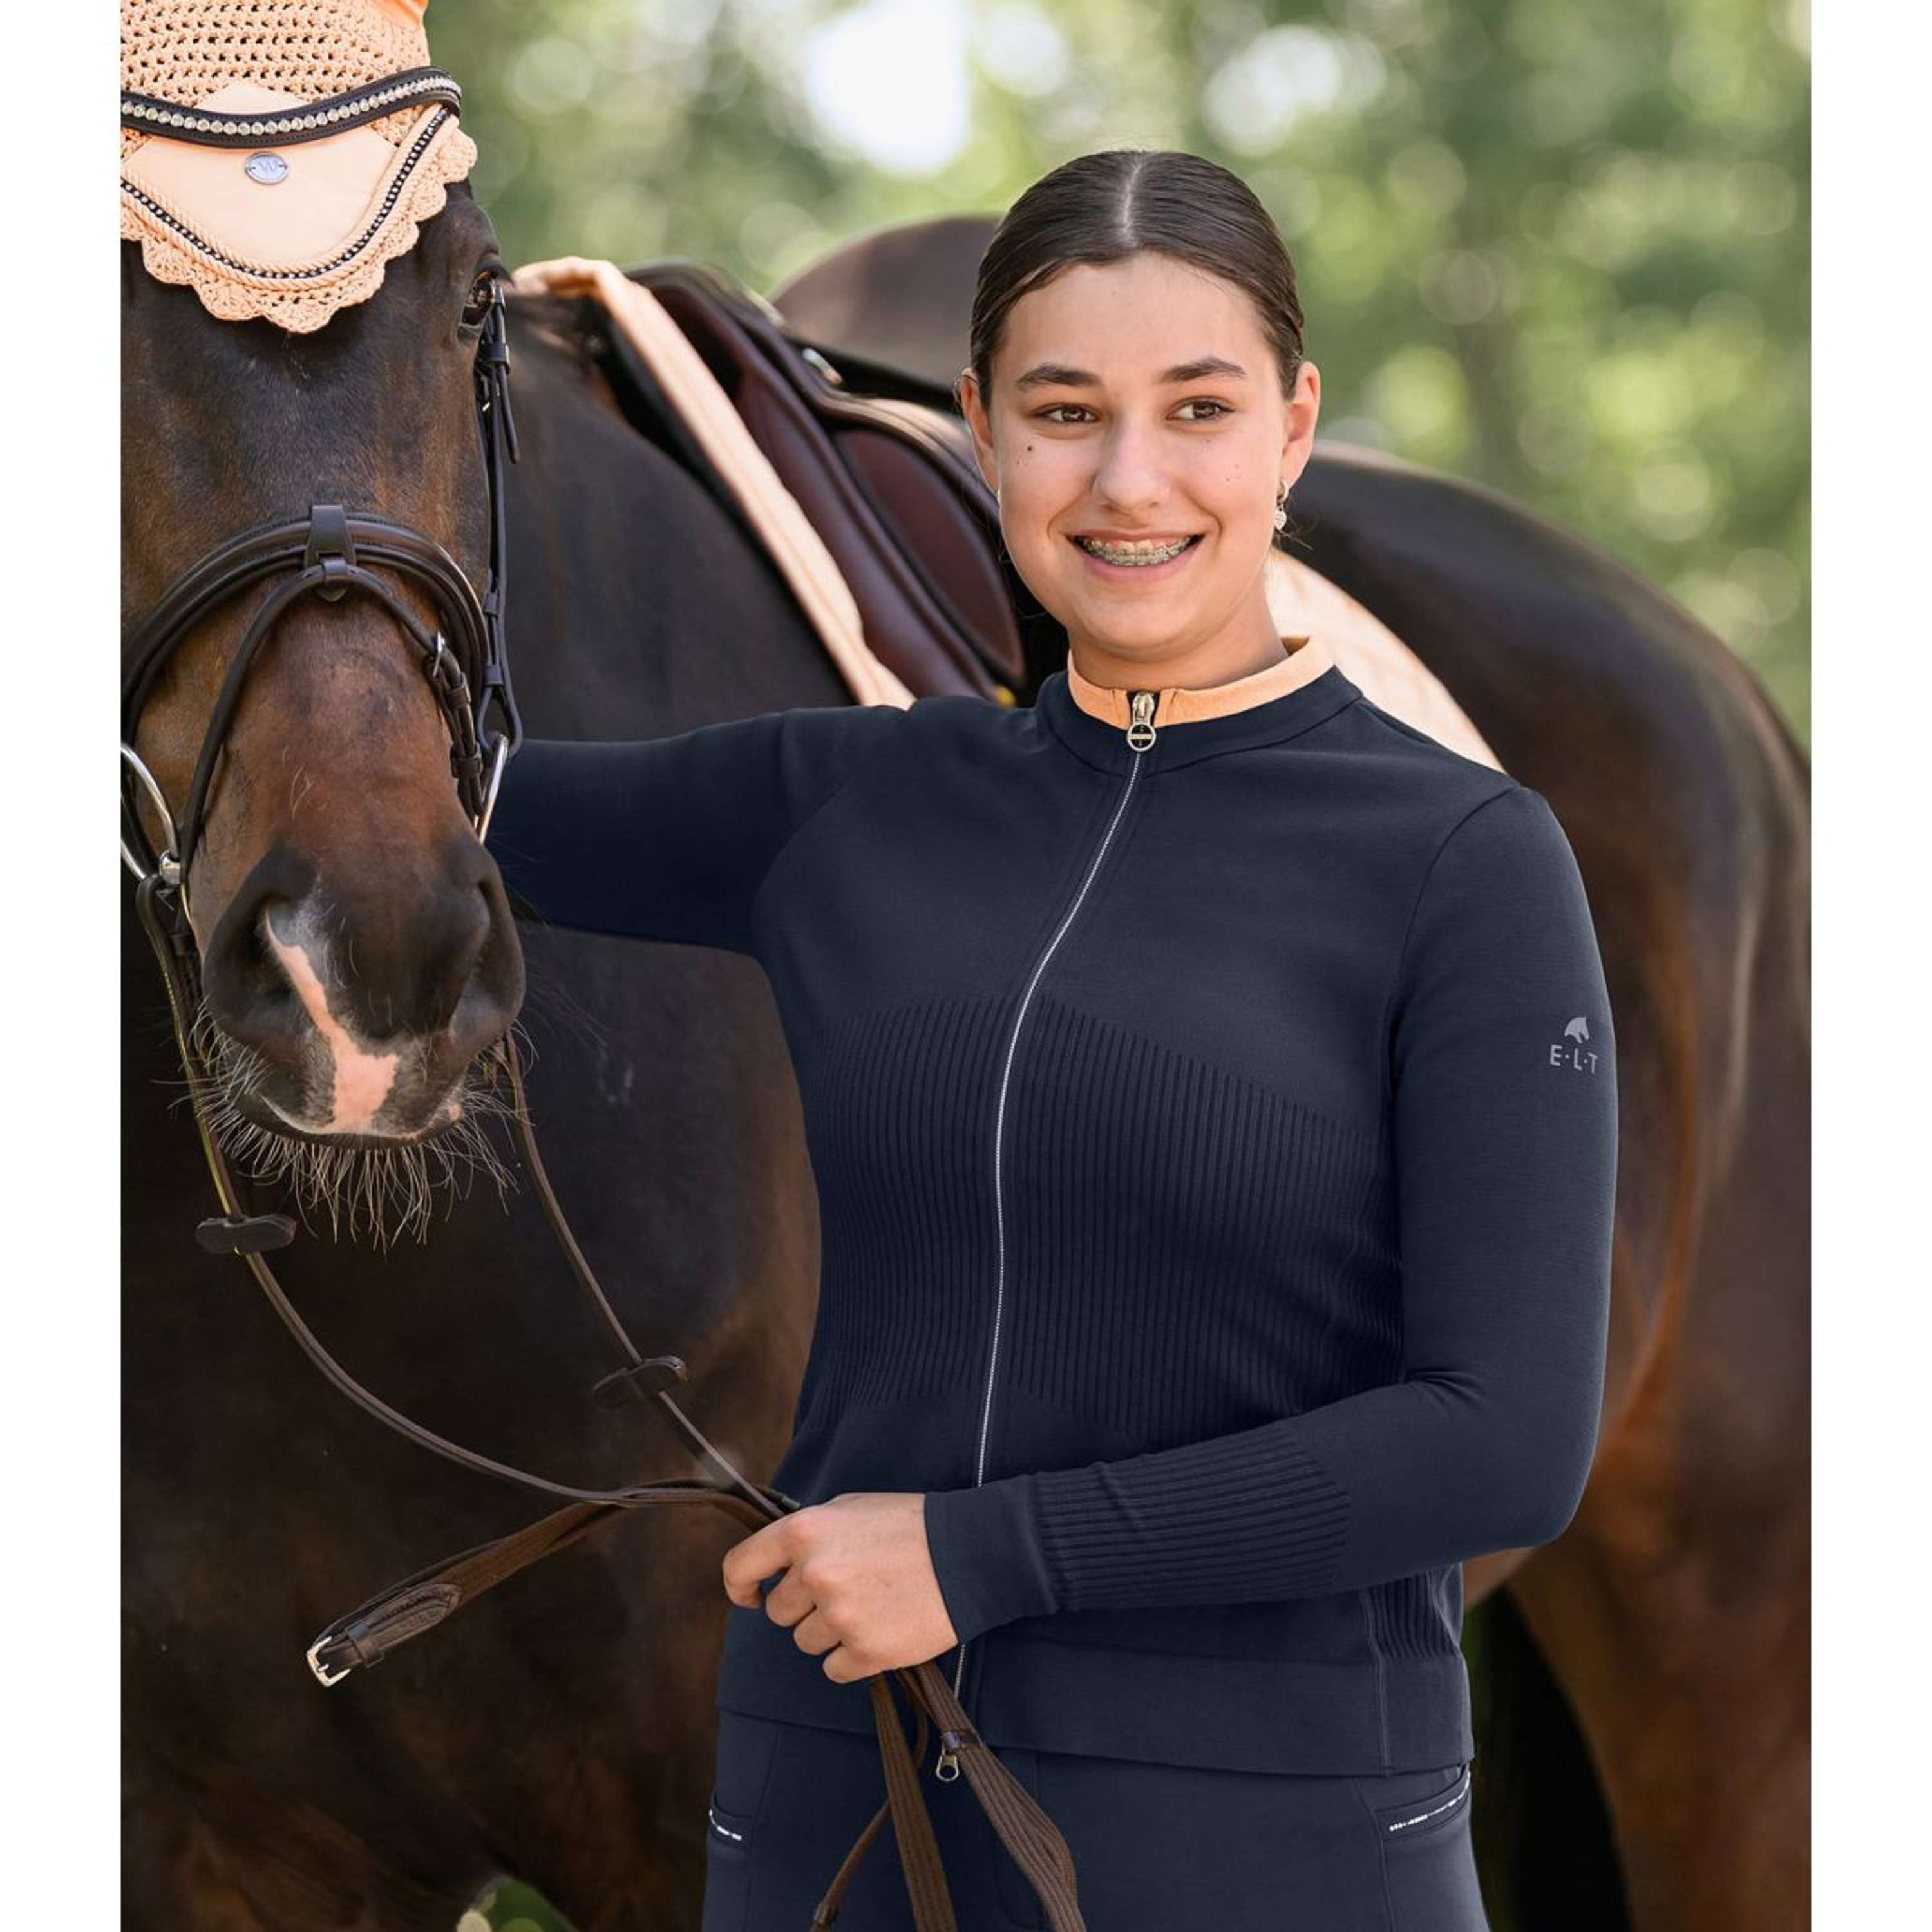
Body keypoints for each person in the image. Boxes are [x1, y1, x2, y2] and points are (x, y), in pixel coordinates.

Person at [485, 147, 1616, 1932]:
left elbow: (1504, 1443)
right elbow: (366, 802)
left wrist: (976, 1555)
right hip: (841, 1807)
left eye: (1199, 409)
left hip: (1271, 1843)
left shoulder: (1465, 860)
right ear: (985, 433)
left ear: (1294, 428)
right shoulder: (845, 800)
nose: (1129, 479)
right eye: (1066, 412)